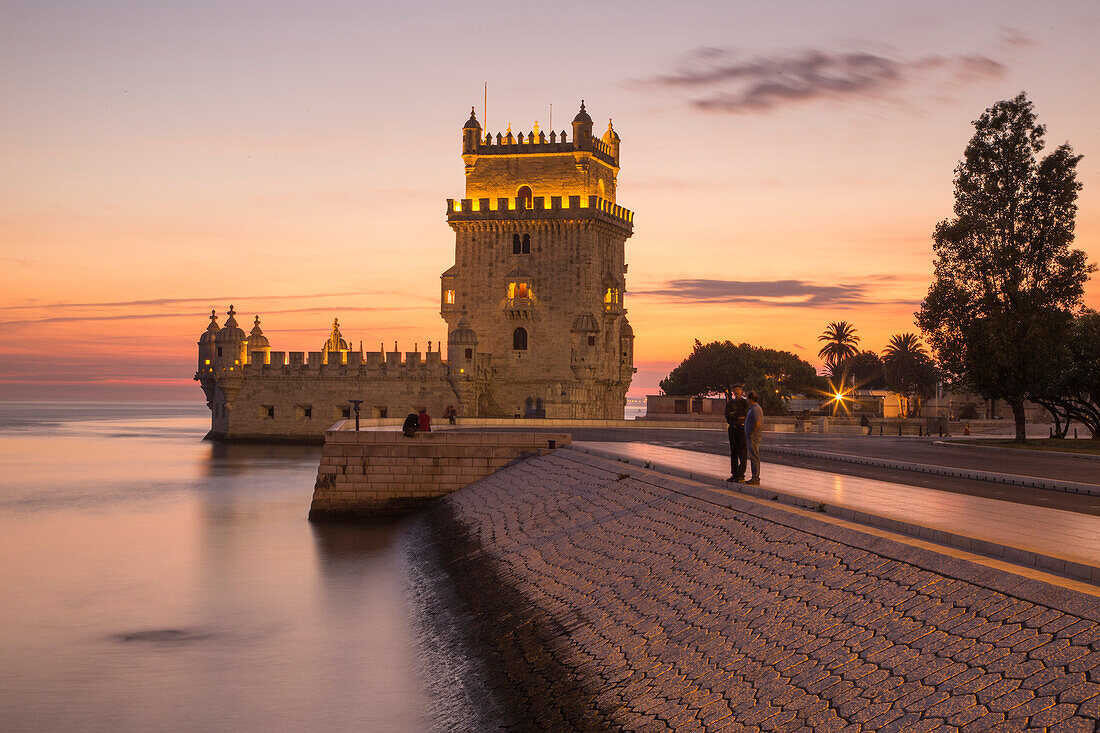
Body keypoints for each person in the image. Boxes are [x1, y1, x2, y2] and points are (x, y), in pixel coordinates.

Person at [724, 385, 748, 482]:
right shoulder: (730, 403)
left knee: (742, 452)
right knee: (733, 452)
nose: (736, 392)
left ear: (742, 391)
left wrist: (735, 416)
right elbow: (727, 416)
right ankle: (734, 473)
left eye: (738, 390)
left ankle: (741, 474)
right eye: (735, 390)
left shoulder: (745, 403)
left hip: (742, 429)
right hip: (733, 429)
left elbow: (745, 415)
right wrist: (737, 417)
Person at [744, 391, 764, 485]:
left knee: (754, 456)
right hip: (751, 436)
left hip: (753, 437)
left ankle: (755, 478)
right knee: (753, 456)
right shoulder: (752, 408)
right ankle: (754, 477)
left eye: (747, 398)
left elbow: (757, 423)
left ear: (751, 399)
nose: (746, 400)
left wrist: (751, 433)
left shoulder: (756, 409)